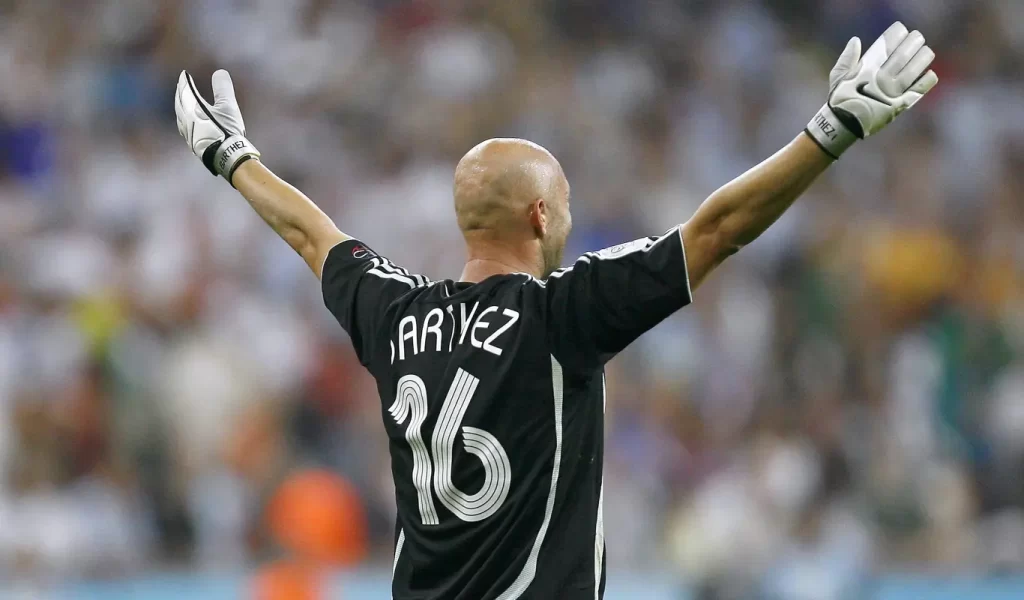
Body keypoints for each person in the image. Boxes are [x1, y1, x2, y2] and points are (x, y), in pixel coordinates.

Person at [173, 22, 937, 600]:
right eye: (565, 202)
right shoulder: (561, 316)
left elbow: (315, 237)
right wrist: (830, 133)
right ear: (541, 217)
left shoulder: (394, 313)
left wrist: (232, 159)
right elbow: (719, 229)